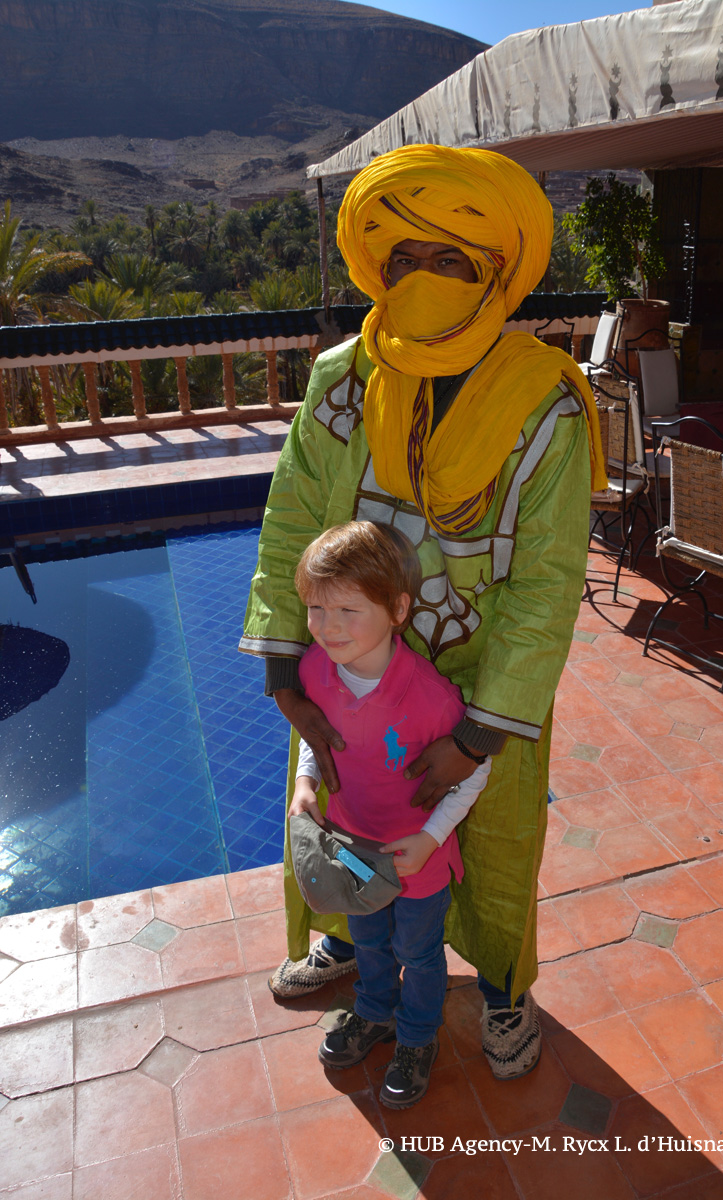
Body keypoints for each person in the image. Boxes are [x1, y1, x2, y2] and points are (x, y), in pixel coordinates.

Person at [240, 143, 606, 1081]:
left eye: (454, 261)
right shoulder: (339, 383)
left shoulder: (543, 410)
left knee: (489, 839)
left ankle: (499, 990)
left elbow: (546, 581)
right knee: (336, 807)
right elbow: (290, 522)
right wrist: (288, 672)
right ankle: (352, 943)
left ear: (494, 276)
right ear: (380, 268)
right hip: (345, 668)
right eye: (407, 259)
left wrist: (479, 738)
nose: (426, 280)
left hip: (478, 685)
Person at [290, 520, 489, 1108]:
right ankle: (375, 1012)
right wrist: (306, 781)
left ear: (397, 608)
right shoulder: (314, 672)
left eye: (348, 609)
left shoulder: (427, 696)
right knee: (369, 939)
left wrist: (430, 839)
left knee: (419, 953)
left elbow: (474, 771)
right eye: (316, 609)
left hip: (417, 861)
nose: (328, 627)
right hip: (352, 847)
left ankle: (418, 1035)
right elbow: (315, 733)